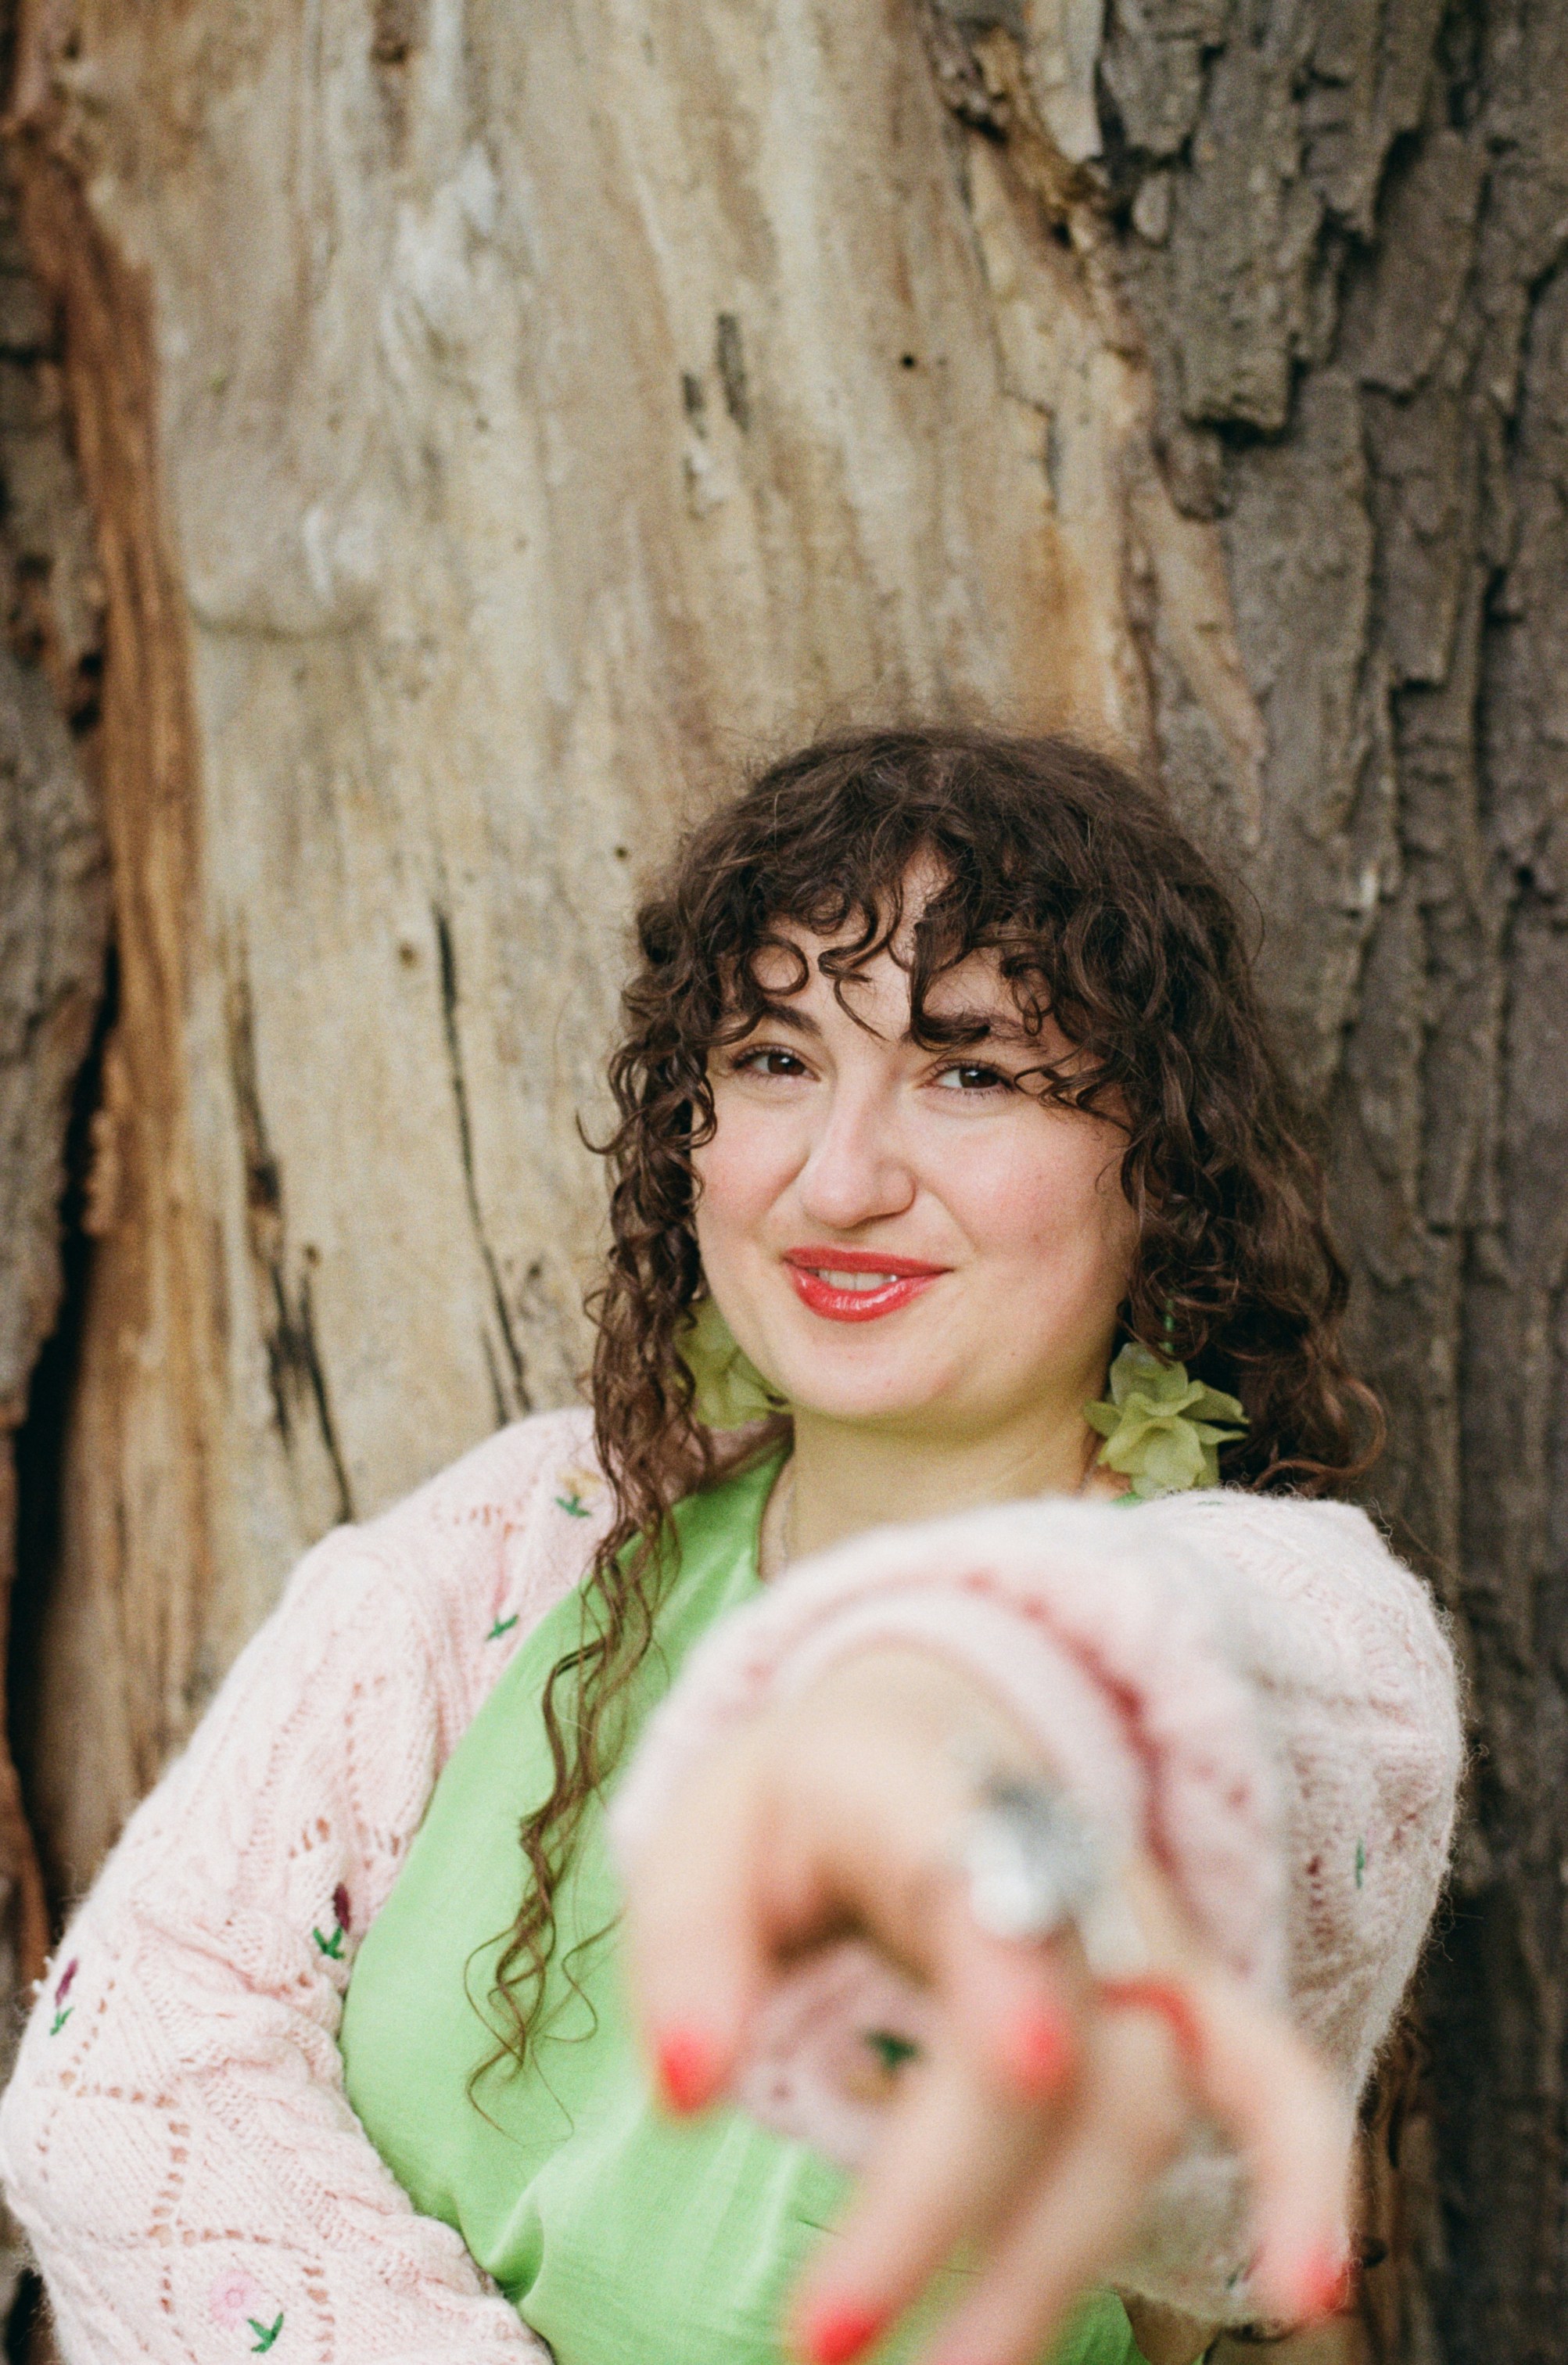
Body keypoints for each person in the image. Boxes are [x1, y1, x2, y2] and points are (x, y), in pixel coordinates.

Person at [0, 729, 1462, 2365]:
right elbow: (119, 2075)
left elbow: (1223, 1690)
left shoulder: (1296, 1632)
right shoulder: (536, 1534)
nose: (837, 1180)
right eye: (773, 1059)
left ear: (1164, 1168)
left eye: (969, 1072)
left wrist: (958, 1701)